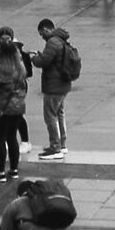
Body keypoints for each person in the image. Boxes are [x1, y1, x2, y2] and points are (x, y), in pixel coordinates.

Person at [0, 26, 33, 182]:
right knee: (12, 138)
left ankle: (0, 172)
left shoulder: (2, 67)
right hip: (18, 107)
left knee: (0, 139)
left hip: (3, 108)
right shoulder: (19, 66)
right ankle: (14, 170)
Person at [36, 16, 78, 160]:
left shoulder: (53, 42)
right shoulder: (61, 40)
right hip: (63, 84)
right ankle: (62, 144)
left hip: (54, 86)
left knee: (50, 116)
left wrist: (34, 58)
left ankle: (55, 147)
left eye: (42, 33)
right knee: (59, 114)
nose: (42, 36)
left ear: (47, 29)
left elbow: (44, 61)